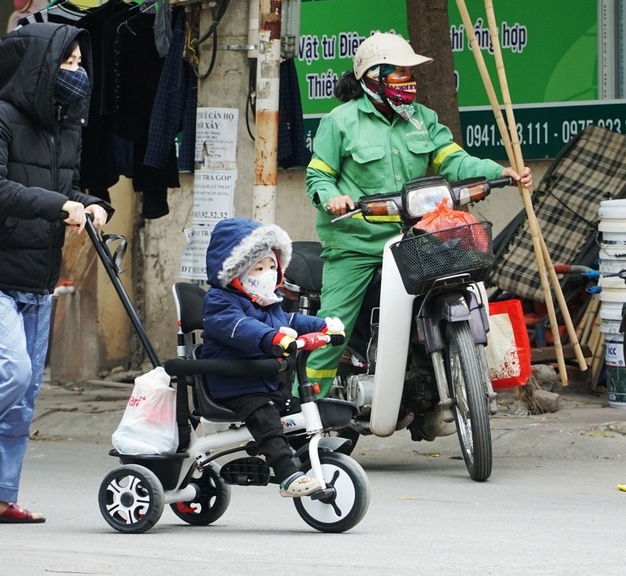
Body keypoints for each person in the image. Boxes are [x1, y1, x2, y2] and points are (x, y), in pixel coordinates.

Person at [0, 23, 113, 524]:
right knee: (13, 373)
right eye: (67, 63)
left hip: (36, 276)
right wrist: (60, 206)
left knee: (24, 396)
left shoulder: (66, 127)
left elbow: (69, 188)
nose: (77, 73)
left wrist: (93, 205)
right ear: (39, 70)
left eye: (80, 64)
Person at [304, 32, 533, 396]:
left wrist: (498, 171)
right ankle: (305, 408)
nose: (409, 80)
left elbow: (454, 160)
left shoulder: (421, 118)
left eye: (410, 73)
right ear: (373, 76)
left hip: (413, 240)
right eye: (400, 73)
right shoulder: (341, 121)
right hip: (357, 246)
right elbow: (318, 176)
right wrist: (333, 198)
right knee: (333, 330)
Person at [200, 218, 344, 497]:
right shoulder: (220, 301)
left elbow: (290, 320)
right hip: (234, 384)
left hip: (264, 381)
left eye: (272, 267)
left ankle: (308, 457)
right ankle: (287, 474)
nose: (267, 274)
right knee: (267, 420)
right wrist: (272, 338)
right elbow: (240, 327)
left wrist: (323, 326)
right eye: (259, 268)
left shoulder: (266, 301)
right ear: (237, 272)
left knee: (294, 409)